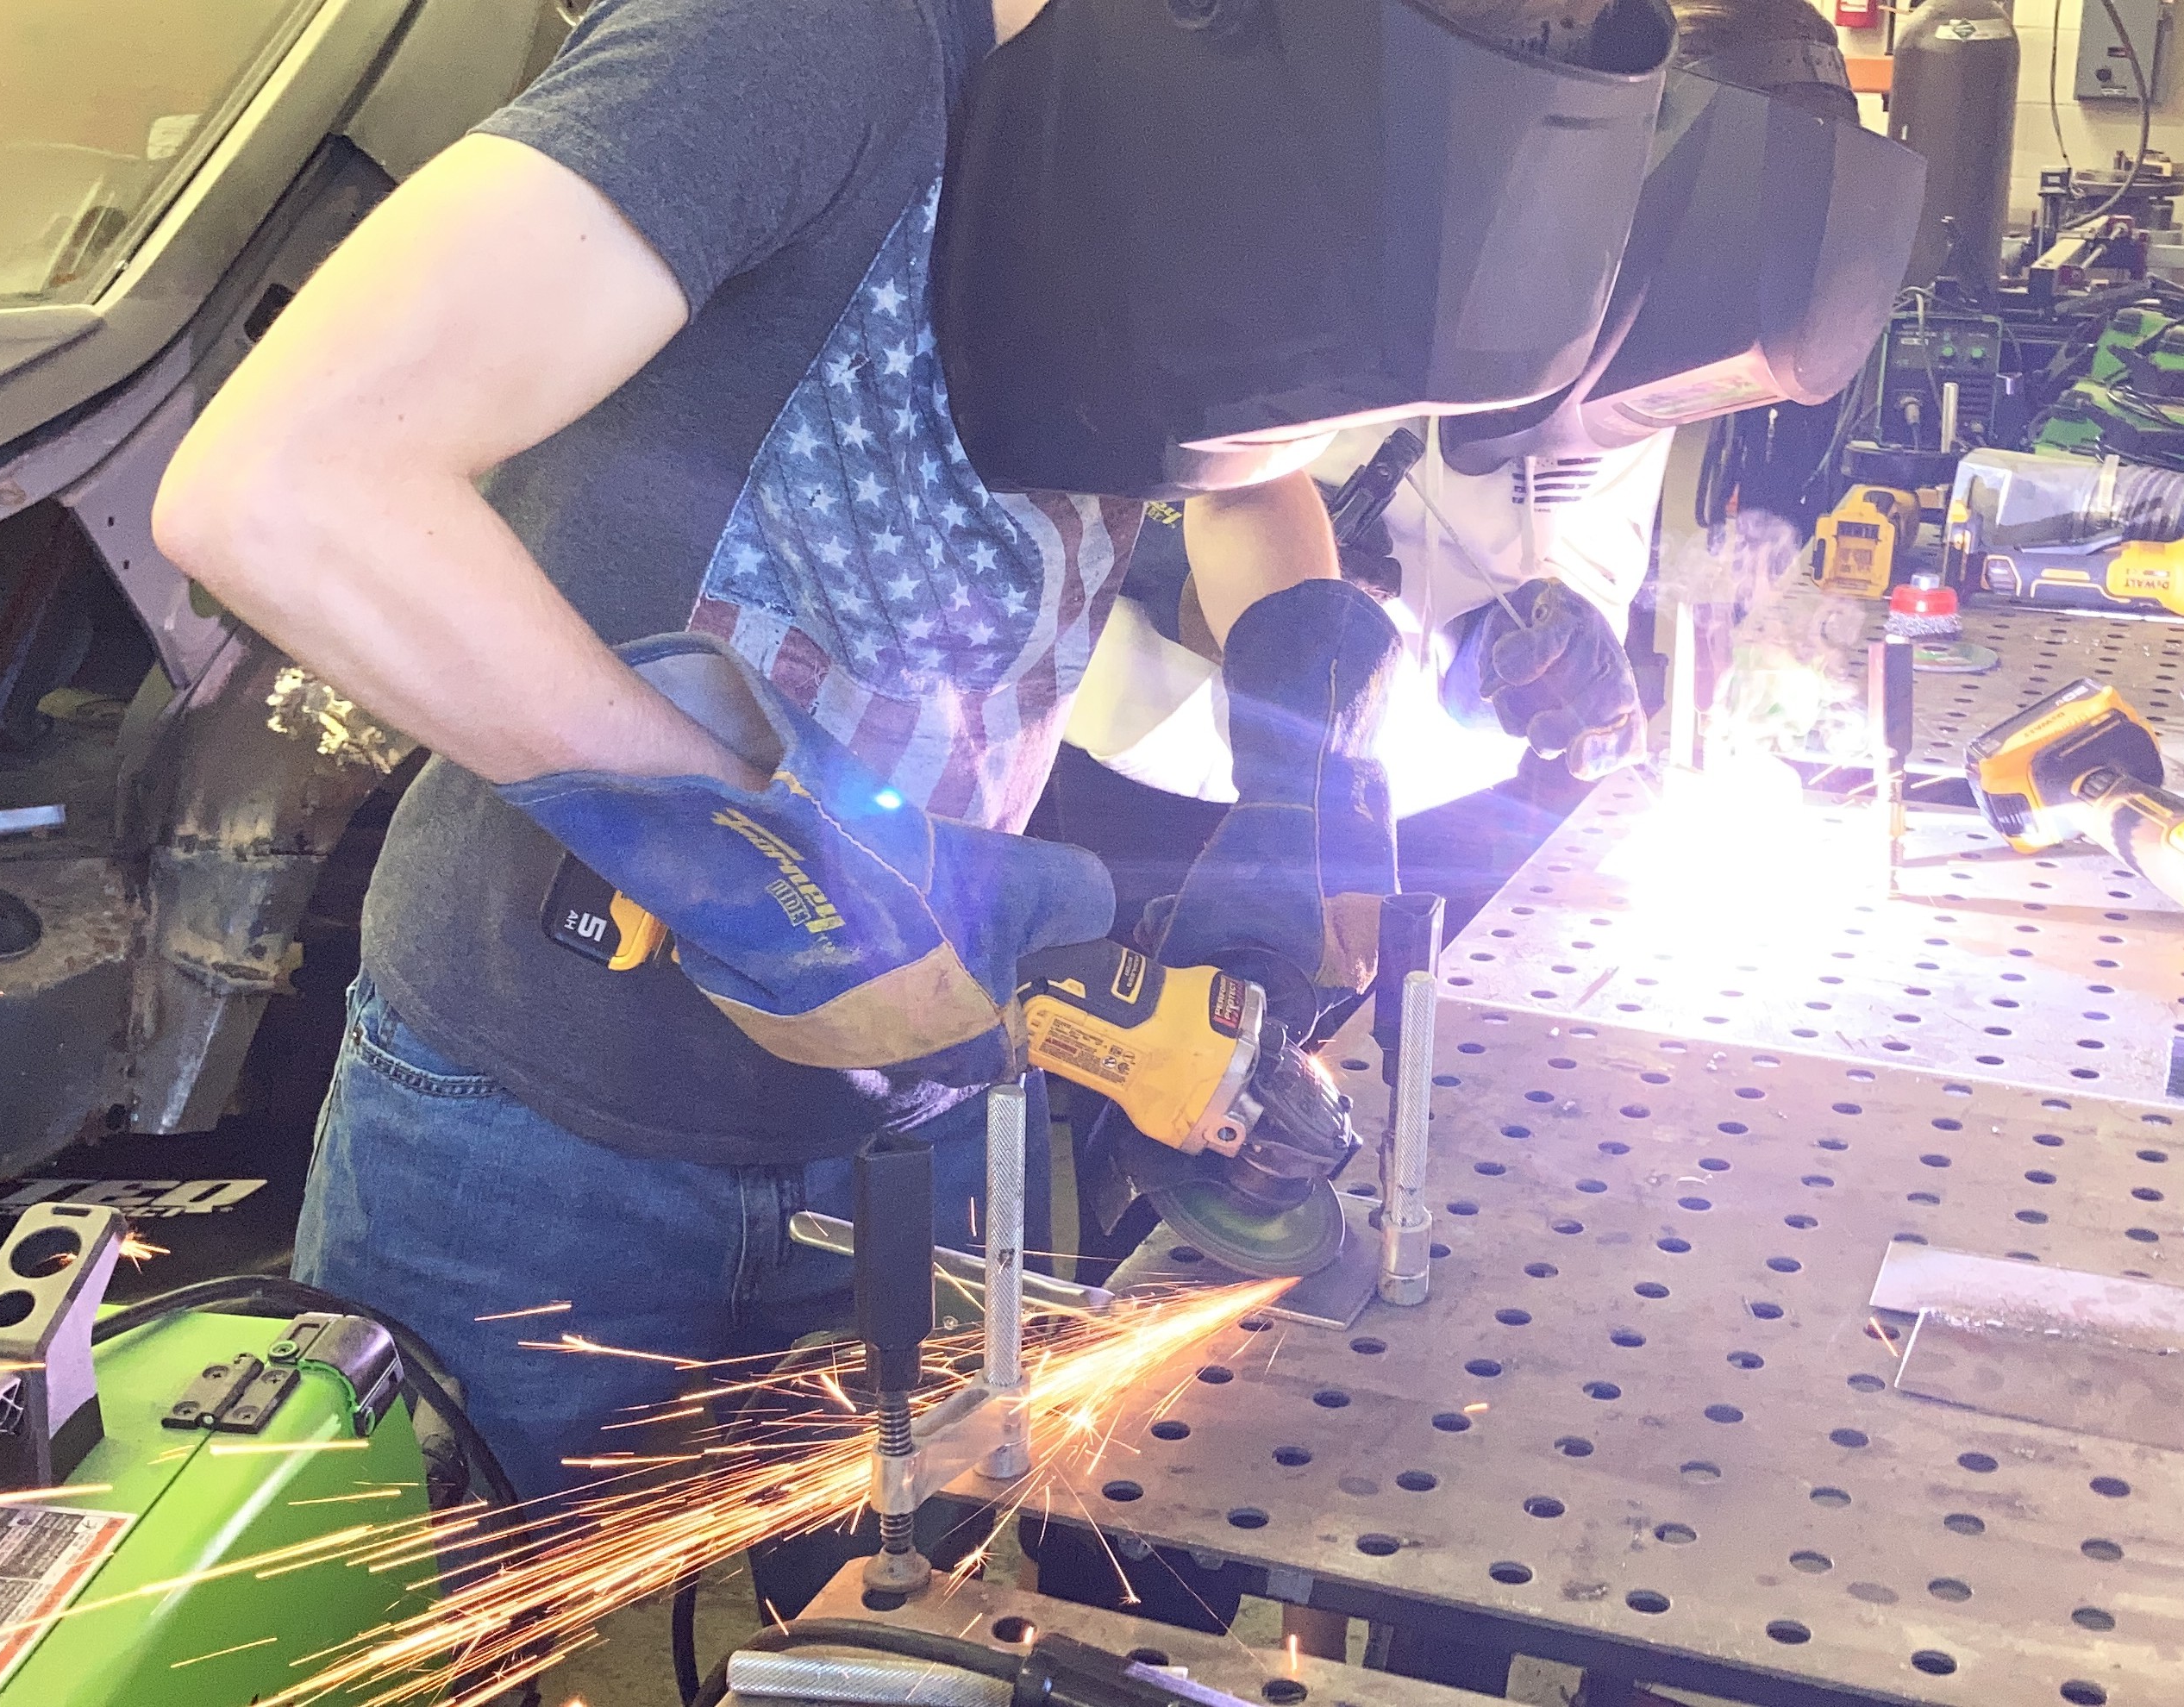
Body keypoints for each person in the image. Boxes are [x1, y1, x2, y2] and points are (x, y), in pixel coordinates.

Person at [149, 0, 1382, 1567]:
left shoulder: (1199, 105)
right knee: (423, 1636)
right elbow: (281, 487)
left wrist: (1306, 777)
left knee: (897, 1639)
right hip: (532, 1125)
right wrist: (777, 877)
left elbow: (1249, 475)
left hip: (923, 1122)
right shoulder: (802, 40)